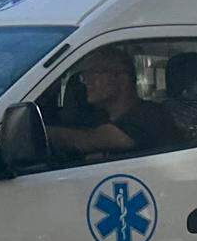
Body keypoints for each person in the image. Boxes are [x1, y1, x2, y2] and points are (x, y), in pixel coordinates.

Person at [49, 48, 181, 159]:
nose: (86, 81)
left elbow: (91, 139)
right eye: (84, 75)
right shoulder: (98, 117)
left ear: (122, 79)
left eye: (94, 73)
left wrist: (38, 132)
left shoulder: (151, 116)